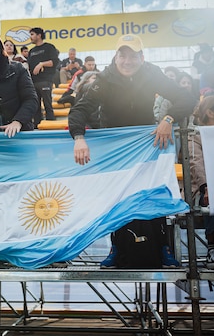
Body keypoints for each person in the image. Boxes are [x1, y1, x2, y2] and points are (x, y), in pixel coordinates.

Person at [68, 34, 197, 268]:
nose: (127, 61)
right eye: (123, 55)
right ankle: (116, 247)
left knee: (153, 193)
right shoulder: (104, 78)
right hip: (116, 148)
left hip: (147, 144)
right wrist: (79, 136)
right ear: (116, 57)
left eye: (133, 56)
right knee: (117, 196)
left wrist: (168, 119)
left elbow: (186, 98)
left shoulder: (151, 73)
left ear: (142, 57)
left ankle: (162, 247)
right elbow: (79, 110)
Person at [189, 96, 214, 269]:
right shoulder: (195, 136)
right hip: (202, 188)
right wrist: (207, 187)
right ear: (210, 112)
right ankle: (212, 247)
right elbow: (196, 165)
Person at [27, 27, 60, 128]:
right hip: (33, 82)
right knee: (35, 106)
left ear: (39, 35)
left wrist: (41, 64)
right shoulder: (31, 51)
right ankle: (37, 127)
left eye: (32, 34)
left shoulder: (49, 47)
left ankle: (51, 127)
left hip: (46, 80)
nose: (30, 37)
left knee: (47, 105)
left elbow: (55, 62)